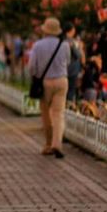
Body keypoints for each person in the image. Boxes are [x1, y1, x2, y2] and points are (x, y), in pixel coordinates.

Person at [28, 17, 70, 159]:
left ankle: (47, 145)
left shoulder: (38, 45)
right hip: (61, 81)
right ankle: (57, 144)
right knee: (58, 114)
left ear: (45, 30)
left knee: (46, 115)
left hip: (45, 82)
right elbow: (68, 62)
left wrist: (35, 76)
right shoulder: (64, 45)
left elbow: (32, 66)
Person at [63, 22, 82, 101]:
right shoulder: (71, 42)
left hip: (64, 70)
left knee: (65, 92)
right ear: (69, 31)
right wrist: (78, 48)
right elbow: (78, 55)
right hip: (72, 70)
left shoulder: (61, 40)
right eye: (73, 31)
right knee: (70, 92)